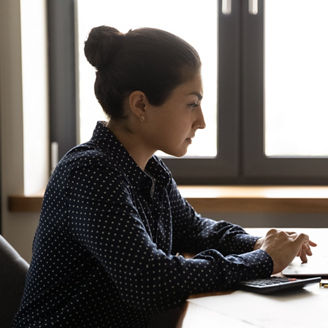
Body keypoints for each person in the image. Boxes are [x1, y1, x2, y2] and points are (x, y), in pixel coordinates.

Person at [14, 26, 316, 328]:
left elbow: (195, 230)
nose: (202, 121)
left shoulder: (150, 169)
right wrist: (264, 260)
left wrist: (259, 243)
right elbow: (150, 282)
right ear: (141, 105)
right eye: (192, 104)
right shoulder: (89, 173)